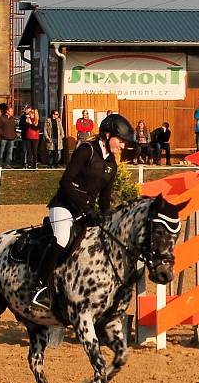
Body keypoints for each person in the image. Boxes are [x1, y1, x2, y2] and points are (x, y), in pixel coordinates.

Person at [31, 113, 136, 309]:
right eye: (120, 141)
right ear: (106, 135)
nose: (123, 146)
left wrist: (107, 221)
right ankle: (39, 287)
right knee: (62, 239)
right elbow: (66, 182)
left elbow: (105, 199)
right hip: (64, 206)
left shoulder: (111, 165)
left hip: (85, 212)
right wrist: (86, 208)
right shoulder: (86, 150)